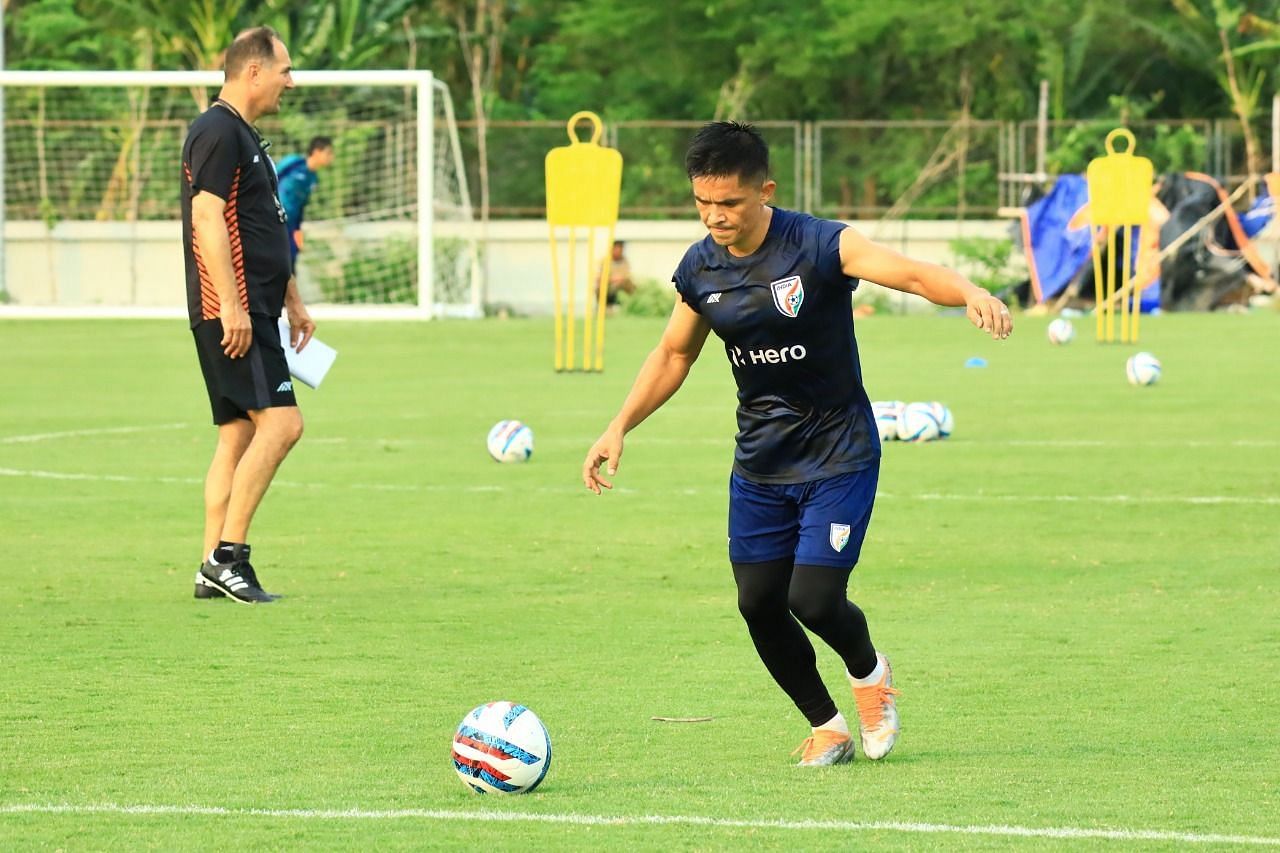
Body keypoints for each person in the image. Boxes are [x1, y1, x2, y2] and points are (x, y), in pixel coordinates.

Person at [581, 121, 1012, 766]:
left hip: (839, 452)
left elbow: (916, 275)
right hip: (760, 461)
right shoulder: (699, 268)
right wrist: (618, 425)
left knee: (811, 598)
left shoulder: (820, 245)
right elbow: (674, 353)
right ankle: (827, 725)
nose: (715, 217)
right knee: (758, 602)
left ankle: (870, 677)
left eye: (728, 203)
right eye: (703, 204)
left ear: (765, 191)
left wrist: (971, 292)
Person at [181, 26, 315, 604]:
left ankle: (209, 562)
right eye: (285, 69)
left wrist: (290, 295)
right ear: (253, 71)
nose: (292, 80)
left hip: (256, 306)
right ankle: (228, 558)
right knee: (283, 425)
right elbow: (206, 219)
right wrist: (234, 306)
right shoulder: (215, 130)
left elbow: (262, 224)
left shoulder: (245, 135)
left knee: (236, 435)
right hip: (231, 311)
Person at [276, 136, 335, 271]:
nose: (331, 157)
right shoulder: (293, 163)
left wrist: (298, 231)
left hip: (289, 225)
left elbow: (301, 206)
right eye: (328, 153)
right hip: (272, 219)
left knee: (291, 262)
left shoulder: (313, 179)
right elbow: (269, 178)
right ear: (316, 152)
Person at [594, 239, 636, 310]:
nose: (619, 252)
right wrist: (611, 279)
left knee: (631, 285)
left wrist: (620, 279)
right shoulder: (604, 261)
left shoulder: (625, 261)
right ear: (612, 249)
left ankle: (628, 305)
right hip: (608, 288)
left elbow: (627, 275)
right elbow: (598, 277)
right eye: (617, 249)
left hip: (620, 287)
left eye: (621, 250)